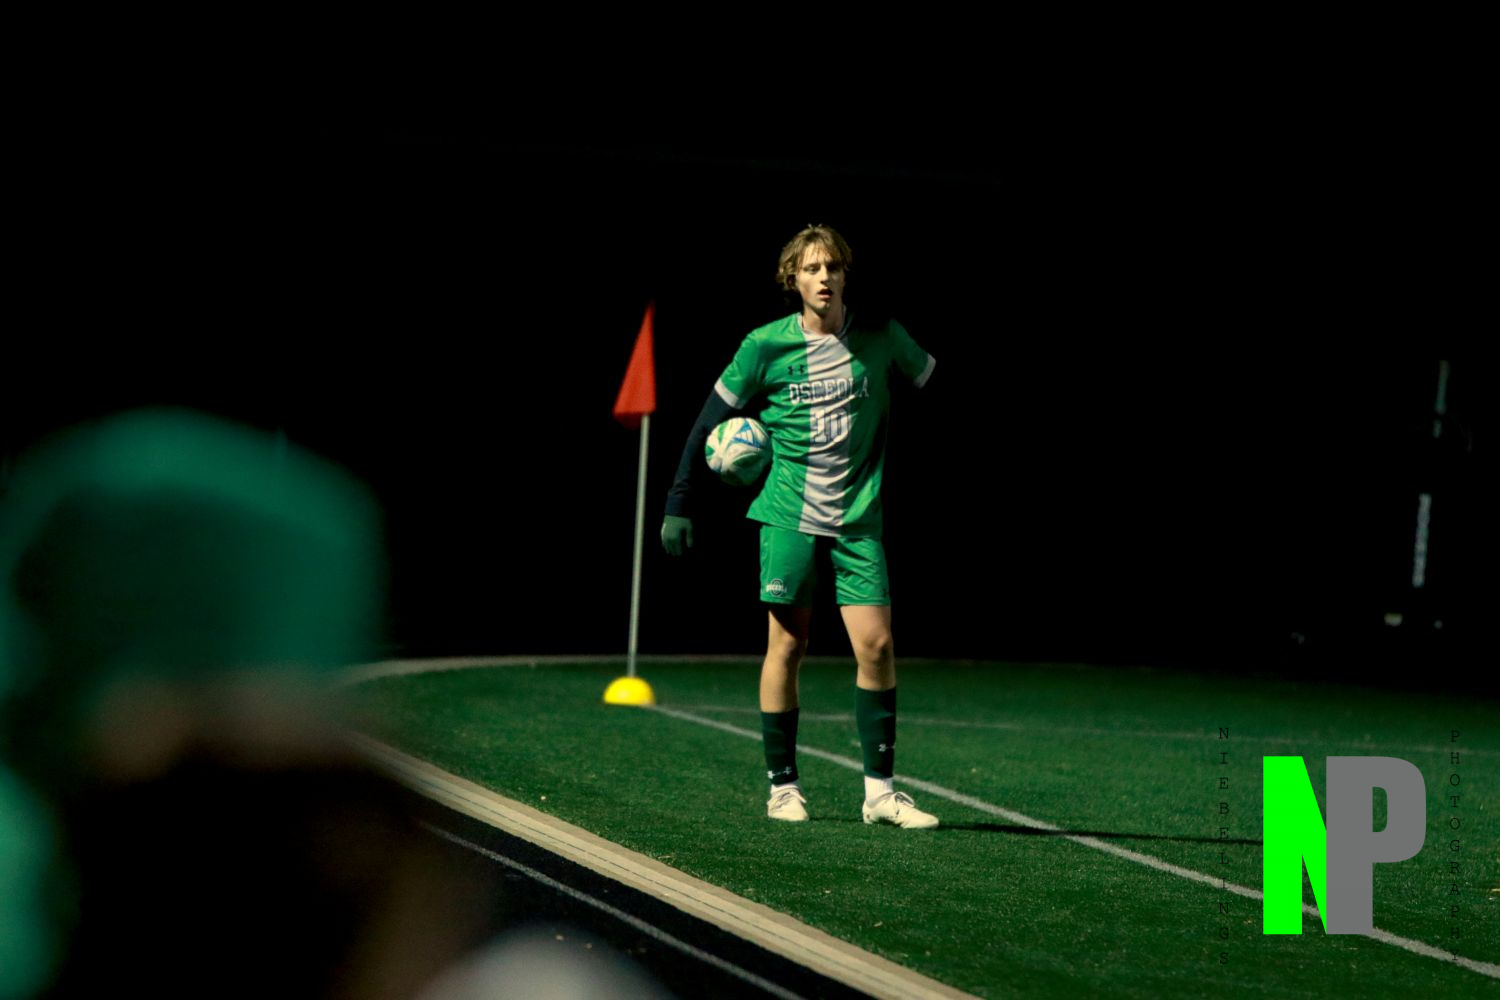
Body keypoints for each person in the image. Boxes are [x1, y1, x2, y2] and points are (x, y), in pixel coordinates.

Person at [661, 224, 938, 829]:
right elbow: (708, 421)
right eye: (811, 269)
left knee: (877, 645)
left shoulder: (881, 335)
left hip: (859, 519)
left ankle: (880, 794)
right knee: (787, 645)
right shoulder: (764, 345)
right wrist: (680, 500)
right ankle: (783, 787)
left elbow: (932, 383)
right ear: (793, 279)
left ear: (845, 275)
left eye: (832, 267)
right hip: (788, 516)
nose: (823, 277)